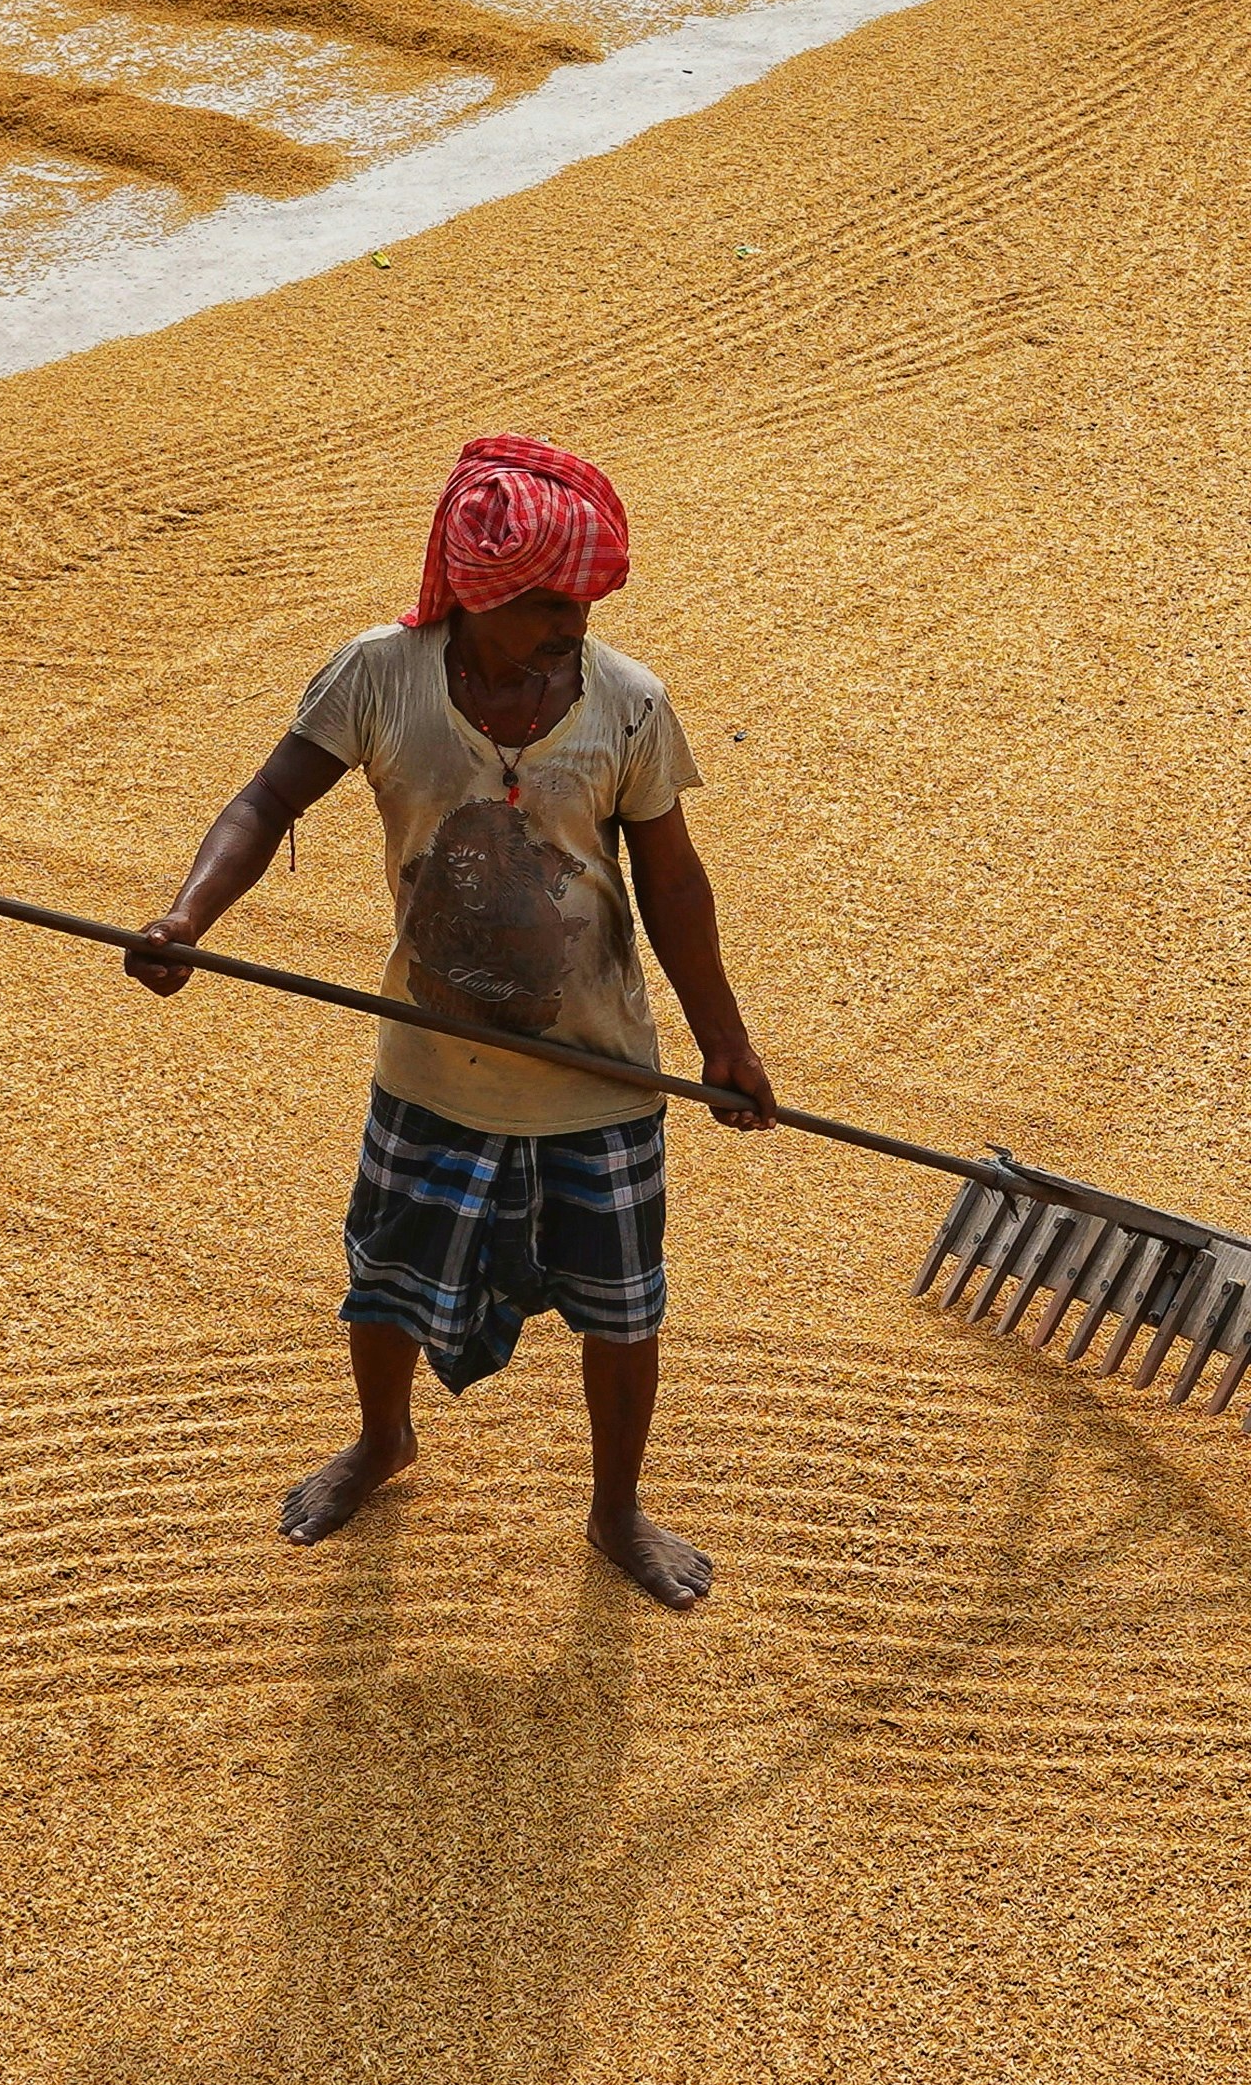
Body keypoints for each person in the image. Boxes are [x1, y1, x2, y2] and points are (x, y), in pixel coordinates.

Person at [127, 434, 770, 1602]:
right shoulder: (379, 678)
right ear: (475, 596)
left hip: (599, 1071)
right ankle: (383, 1441)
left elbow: (673, 882)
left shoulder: (626, 706)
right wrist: (188, 917)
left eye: (581, 599)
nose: (570, 624)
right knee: (385, 1277)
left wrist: (724, 1038)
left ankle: (616, 1509)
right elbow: (269, 797)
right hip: (430, 1067)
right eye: (541, 603)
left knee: (623, 1304)